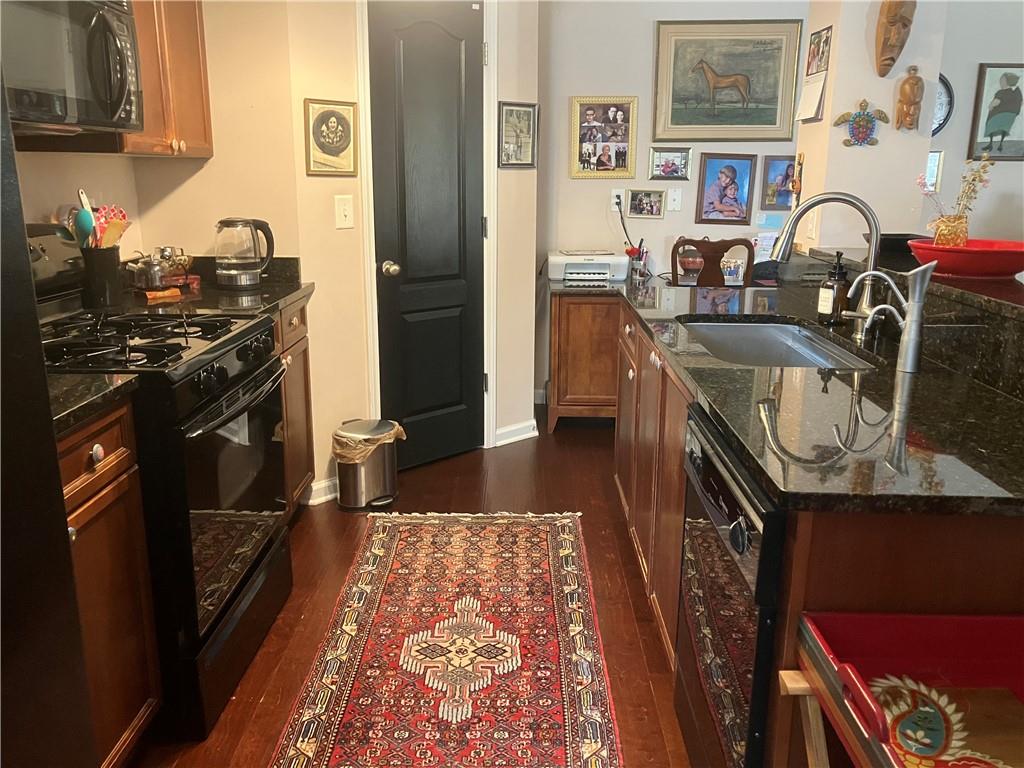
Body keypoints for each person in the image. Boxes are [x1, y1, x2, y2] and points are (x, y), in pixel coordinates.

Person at [983, 72, 1022, 153]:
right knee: (1004, 128)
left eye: (1002, 80)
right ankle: (1000, 144)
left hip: (997, 114)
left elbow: (996, 102)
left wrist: (990, 106)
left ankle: (990, 144)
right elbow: (1021, 102)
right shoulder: (1017, 92)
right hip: (1011, 115)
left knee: (991, 125)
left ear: (1007, 81)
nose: (1000, 82)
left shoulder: (1001, 92)